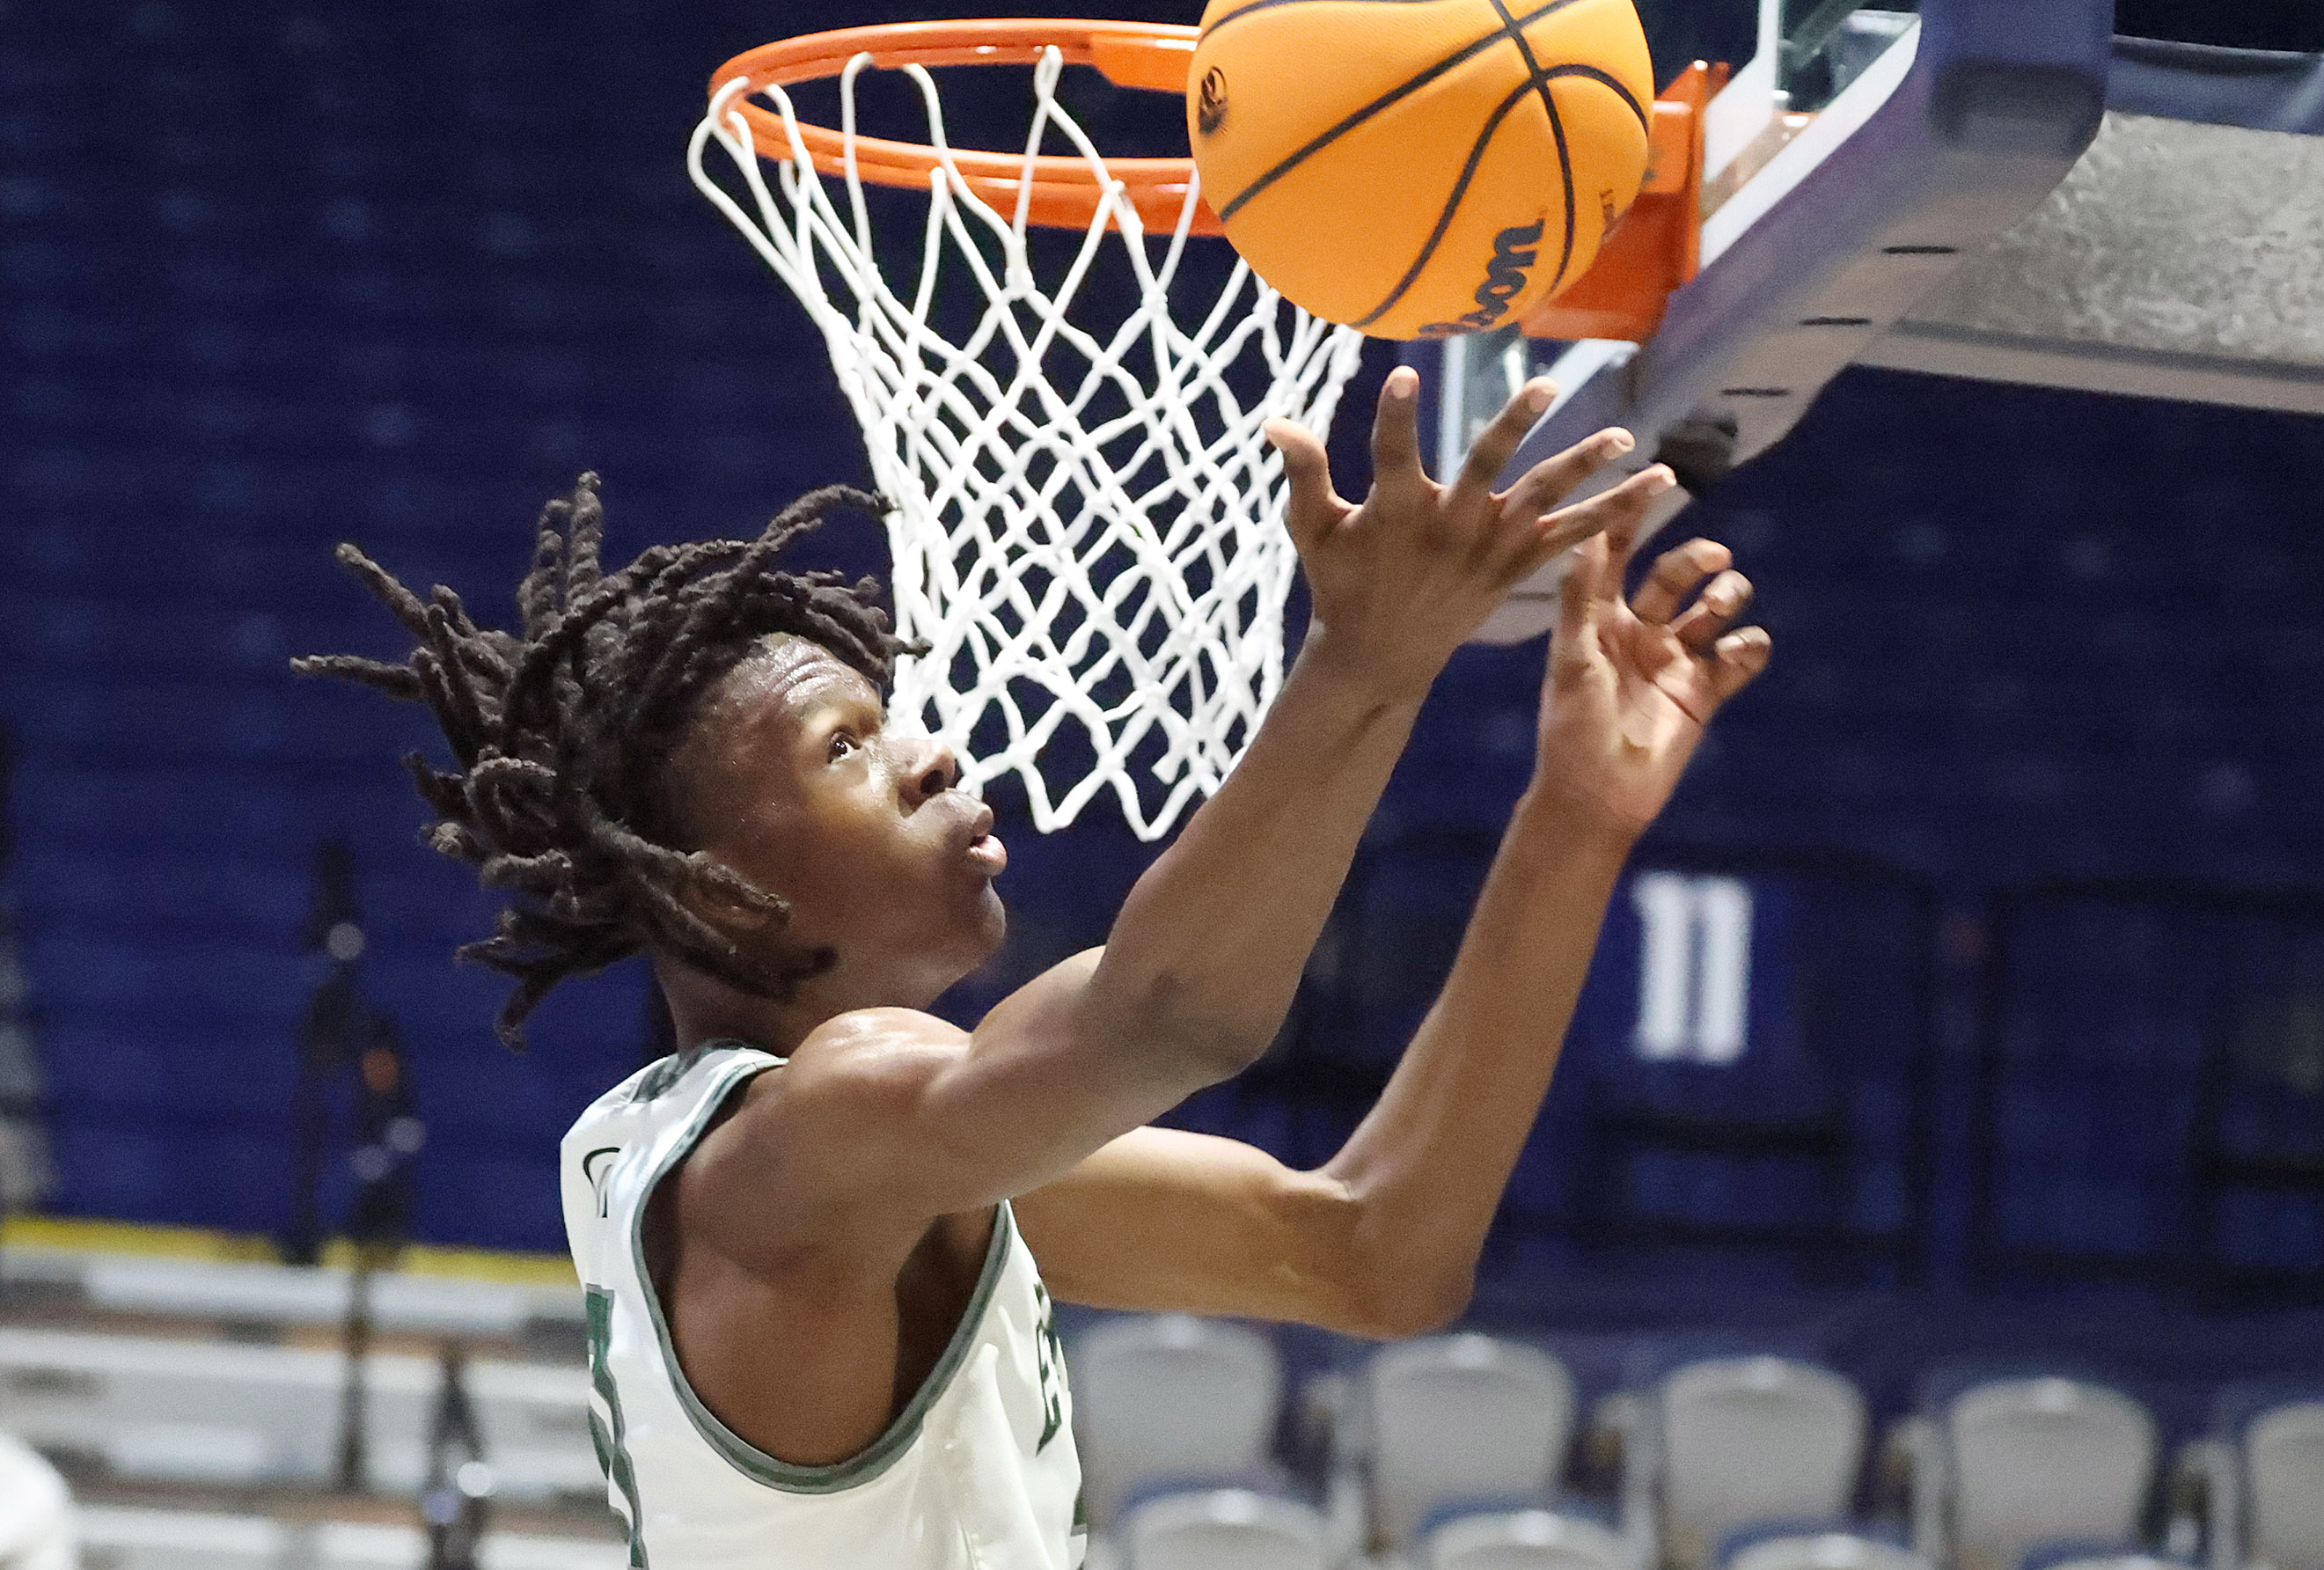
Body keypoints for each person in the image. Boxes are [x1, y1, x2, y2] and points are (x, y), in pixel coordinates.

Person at [297, 366, 1770, 1567]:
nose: (930, 748)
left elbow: (1373, 1251)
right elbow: (1170, 1012)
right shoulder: (814, 1140)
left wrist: (1570, 822)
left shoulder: (824, 1160)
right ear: (722, 894)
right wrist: (1368, 661)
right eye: (846, 747)